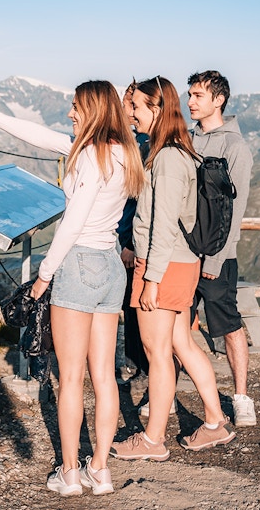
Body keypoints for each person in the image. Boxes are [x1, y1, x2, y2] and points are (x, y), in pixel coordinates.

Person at [0, 81, 145, 496]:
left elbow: (73, 221)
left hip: (78, 263)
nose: (70, 113)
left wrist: (44, 274)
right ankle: (99, 470)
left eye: (76, 107)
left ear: (93, 111)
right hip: (109, 267)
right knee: (104, 376)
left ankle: (68, 472)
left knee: (70, 378)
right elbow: (45, 138)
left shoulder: (87, 157)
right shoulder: (124, 153)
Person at [110, 75, 236, 460]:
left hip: (161, 265)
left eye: (136, 107)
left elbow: (162, 224)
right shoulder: (179, 151)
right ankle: (215, 422)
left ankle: (152, 439)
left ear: (156, 109)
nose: (129, 113)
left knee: (157, 350)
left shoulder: (165, 158)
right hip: (181, 263)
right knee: (181, 343)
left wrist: (150, 280)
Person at [187, 70, 256, 427]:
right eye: (190, 95)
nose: (191, 102)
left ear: (219, 99)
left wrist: (215, 257)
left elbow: (236, 207)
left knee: (228, 325)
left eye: (198, 95)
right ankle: (164, 391)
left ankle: (242, 397)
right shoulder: (186, 140)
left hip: (216, 256)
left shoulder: (235, 147)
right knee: (177, 324)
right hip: (184, 254)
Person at [116, 80, 150, 382]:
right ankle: (137, 364)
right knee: (131, 303)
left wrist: (128, 243)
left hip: (133, 241)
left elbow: (136, 202)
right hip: (131, 238)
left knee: (134, 304)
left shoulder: (142, 145)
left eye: (130, 105)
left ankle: (140, 366)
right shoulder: (136, 142)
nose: (127, 110)